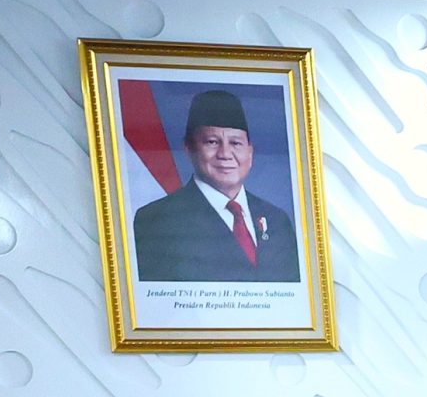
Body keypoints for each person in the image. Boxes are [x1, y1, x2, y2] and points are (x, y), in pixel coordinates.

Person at [129, 88, 301, 284]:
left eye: (235, 143)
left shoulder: (277, 220)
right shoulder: (157, 221)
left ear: (250, 152)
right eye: (212, 142)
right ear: (189, 149)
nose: (225, 154)